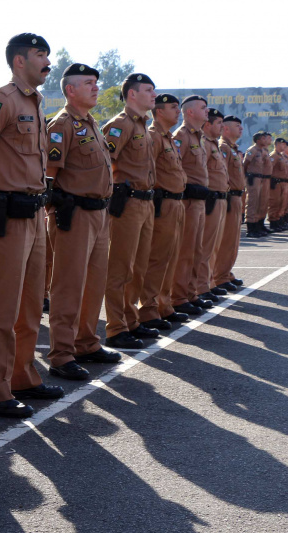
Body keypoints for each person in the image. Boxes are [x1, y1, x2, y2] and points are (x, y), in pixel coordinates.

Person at [0, 33, 64, 419]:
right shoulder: (0, 101)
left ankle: (22, 376)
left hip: (35, 213)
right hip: (7, 213)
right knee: (2, 306)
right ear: (19, 61)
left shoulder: (37, 103)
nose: (48, 61)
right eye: (41, 55)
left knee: (29, 305)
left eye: (48, 55)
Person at [44, 63, 120, 380]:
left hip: (99, 213)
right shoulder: (61, 125)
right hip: (73, 215)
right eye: (88, 83)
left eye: (95, 83)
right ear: (70, 90)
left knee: (93, 283)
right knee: (68, 285)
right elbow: (48, 176)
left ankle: (86, 342)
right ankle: (61, 353)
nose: (95, 87)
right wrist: (55, 208)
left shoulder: (91, 124)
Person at [101, 72, 159, 350]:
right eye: (148, 90)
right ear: (132, 94)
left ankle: (131, 319)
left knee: (139, 266)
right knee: (120, 266)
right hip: (128, 203)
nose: (154, 95)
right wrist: (115, 193)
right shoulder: (119, 125)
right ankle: (115, 326)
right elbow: (104, 162)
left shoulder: (144, 128)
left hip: (146, 203)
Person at [138, 94, 189, 330]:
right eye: (173, 108)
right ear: (159, 112)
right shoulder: (153, 136)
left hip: (176, 202)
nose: (178, 112)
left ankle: (164, 305)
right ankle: (148, 309)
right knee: (157, 258)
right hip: (162, 203)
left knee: (170, 257)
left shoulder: (168, 138)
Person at [170, 95, 213, 316]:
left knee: (196, 248)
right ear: (190, 112)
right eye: (203, 108)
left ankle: (190, 292)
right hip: (187, 200)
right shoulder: (181, 136)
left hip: (199, 200)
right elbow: (175, 168)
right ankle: (177, 297)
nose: (207, 111)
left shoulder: (200, 137)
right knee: (185, 250)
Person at [195, 108, 229, 304]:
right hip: (209, 200)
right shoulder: (203, 143)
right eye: (219, 124)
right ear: (208, 124)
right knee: (205, 246)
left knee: (213, 246)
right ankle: (201, 286)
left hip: (219, 199)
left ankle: (207, 283)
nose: (222, 128)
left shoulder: (213, 144)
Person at [211, 115, 246, 292]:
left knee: (232, 240)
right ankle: (219, 276)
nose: (241, 128)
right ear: (225, 129)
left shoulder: (232, 148)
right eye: (237, 126)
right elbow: (221, 174)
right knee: (225, 240)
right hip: (229, 196)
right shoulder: (222, 147)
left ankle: (225, 273)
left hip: (237, 196)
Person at [243, 131, 273, 238]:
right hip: (253, 178)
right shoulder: (252, 150)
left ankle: (258, 225)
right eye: (264, 138)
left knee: (261, 203)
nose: (266, 140)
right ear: (258, 140)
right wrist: (247, 176)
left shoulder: (264, 151)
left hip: (261, 178)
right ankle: (251, 228)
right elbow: (245, 164)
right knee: (252, 202)